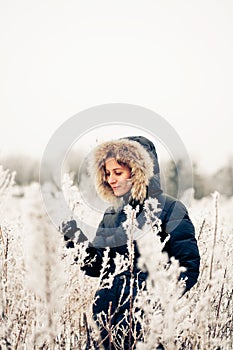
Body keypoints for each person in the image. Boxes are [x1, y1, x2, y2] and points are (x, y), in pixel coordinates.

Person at [61, 136, 200, 349]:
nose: (111, 179)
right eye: (107, 173)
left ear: (137, 172)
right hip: (106, 325)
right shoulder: (111, 214)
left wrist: (150, 304)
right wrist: (75, 238)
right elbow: (98, 266)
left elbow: (187, 267)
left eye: (118, 173)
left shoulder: (171, 209)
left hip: (150, 331)